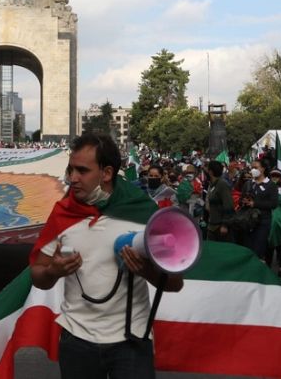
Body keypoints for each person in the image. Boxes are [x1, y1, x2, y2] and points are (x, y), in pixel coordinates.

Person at [31, 134, 184, 379]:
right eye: (71, 169)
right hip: (77, 340)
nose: (72, 178)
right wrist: (53, 271)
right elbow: (38, 275)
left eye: (82, 170)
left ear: (107, 173)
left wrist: (144, 269)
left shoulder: (143, 212)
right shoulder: (62, 214)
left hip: (131, 342)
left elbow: (175, 283)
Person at [205, 160, 235, 243]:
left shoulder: (222, 185)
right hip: (212, 225)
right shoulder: (212, 184)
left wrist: (225, 225)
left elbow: (228, 205)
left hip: (220, 227)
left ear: (210, 172)